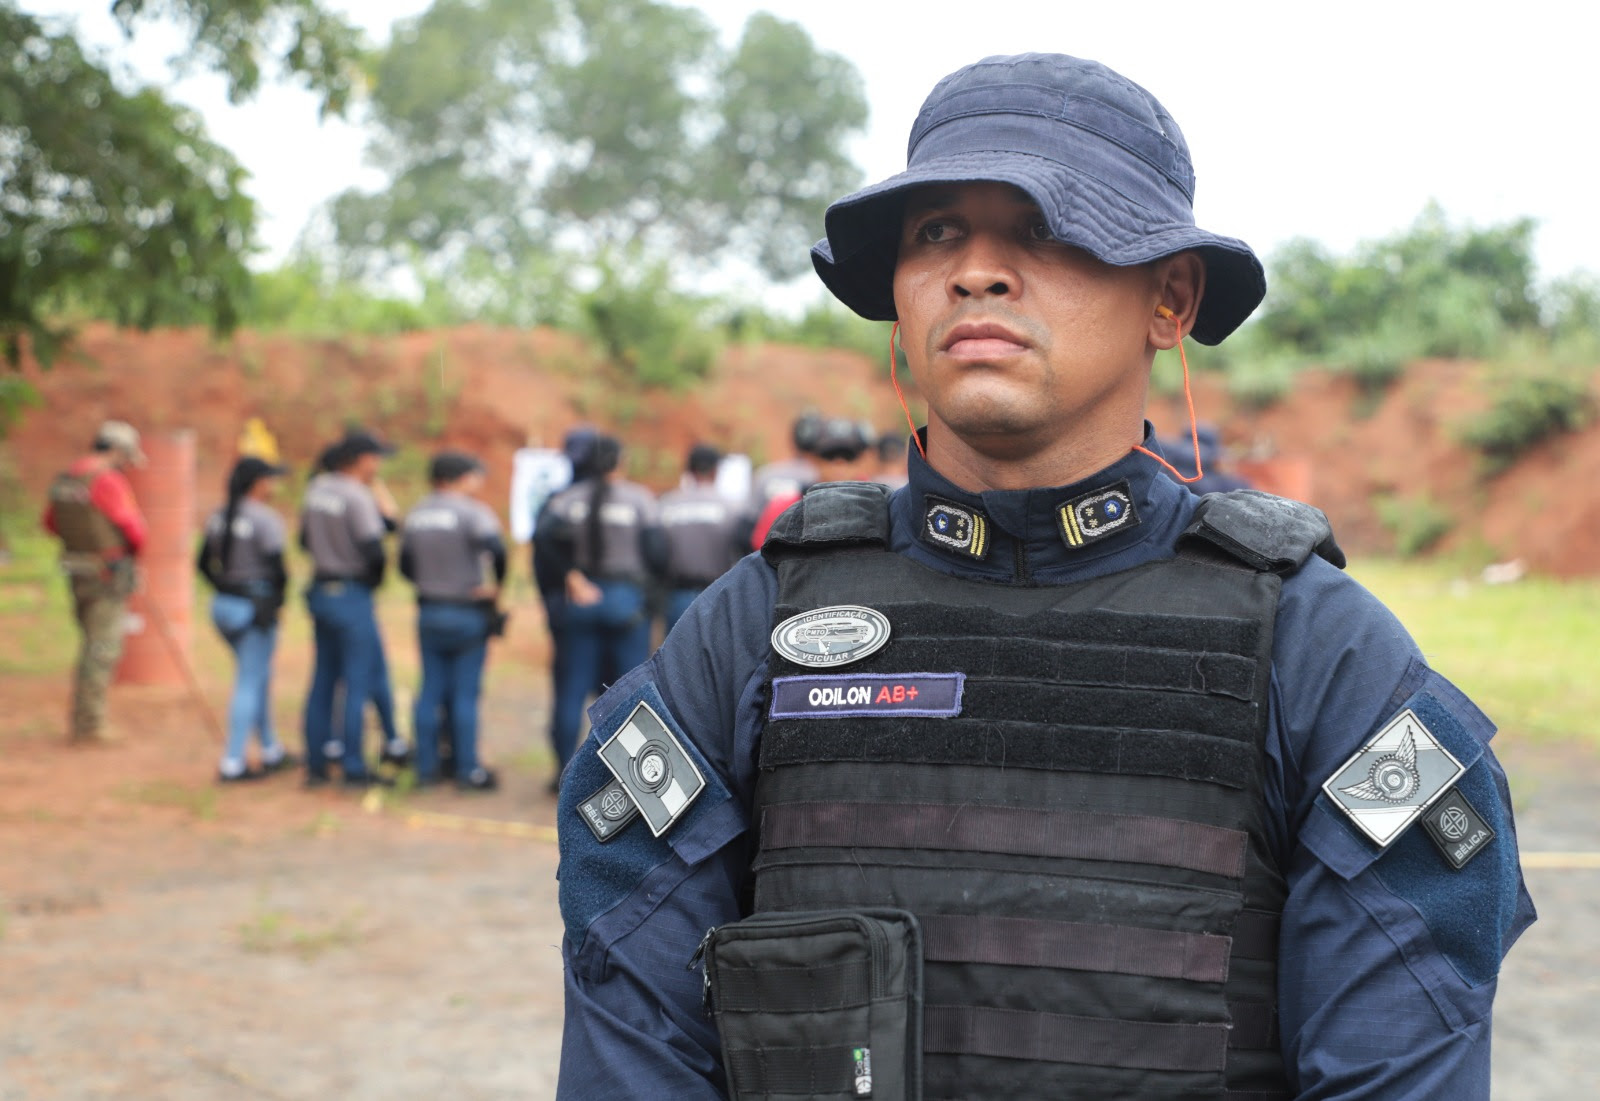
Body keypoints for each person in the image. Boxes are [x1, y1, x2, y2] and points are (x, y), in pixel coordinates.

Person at [555, 53, 1535, 1099]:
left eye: (1042, 229)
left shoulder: (1321, 651)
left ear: (1170, 298)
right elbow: (633, 1044)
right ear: (895, 294)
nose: (976, 272)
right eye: (937, 234)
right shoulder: (749, 630)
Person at [534, 434, 664, 779]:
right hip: (625, 602)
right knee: (630, 694)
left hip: (582, 600)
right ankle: (629, 775)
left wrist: (571, 575)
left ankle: (563, 772)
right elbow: (658, 554)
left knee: (571, 690)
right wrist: (652, 600)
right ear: (620, 462)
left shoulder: (566, 500)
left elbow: (542, 539)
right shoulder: (639, 500)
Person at [399, 450, 506, 791]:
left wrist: (428, 582)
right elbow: (498, 550)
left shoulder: (416, 513)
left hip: (429, 609)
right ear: (457, 478)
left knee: (430, 689)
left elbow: (404, 563)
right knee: (464, 693)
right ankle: (467, 769)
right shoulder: (472, 513)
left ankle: (426, 768)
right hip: (466, 610)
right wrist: (495, 587)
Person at [299, 431, 396, 787]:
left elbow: (304, 540)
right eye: (376, 457)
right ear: (361, 459)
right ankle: (353, 766)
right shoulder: (356, 496)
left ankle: (316, 764)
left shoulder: (317, 489)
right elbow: (374, 549)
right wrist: (370, 583)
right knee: (357, 683)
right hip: (351, 594)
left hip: (321, 590)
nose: (379, 465)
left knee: (323, 679)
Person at [42, 420, 148, 744]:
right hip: (106, 576)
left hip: (76, 572)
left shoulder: (69, 477)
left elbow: (49, 523)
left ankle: (84, 720)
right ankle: (90, 726)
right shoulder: (108, 480)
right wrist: (132, 553)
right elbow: (134, 528)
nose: (127, 465)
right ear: (116, 450)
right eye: (126, 457)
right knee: (102, 648)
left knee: (91, 644)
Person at [196, 456, 296, 781]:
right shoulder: (265, 519)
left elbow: (202, 564)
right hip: (253, 608)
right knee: (250, 681)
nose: (275, 485)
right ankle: (233, 762)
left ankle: (270, 748)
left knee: (256, 677)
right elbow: (279, 570)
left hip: (225, 606)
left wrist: (226, 586)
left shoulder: (219, 516)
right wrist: (273, 603)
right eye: (271, 479)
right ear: (259, 483)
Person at [747, 416, 872, 548]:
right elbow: (761, 551)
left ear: (860, 460)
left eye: (848, 456)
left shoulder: (875, 504)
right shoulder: (785, 506)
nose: (839, 463)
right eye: (829, 455)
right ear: (812, 458)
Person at [658, 444, 743, 634]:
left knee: (676, 659)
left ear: (689, 470)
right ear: (715, 471)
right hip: (719, 595)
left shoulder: (667, 504)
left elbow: (656, 551)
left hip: (677, 596)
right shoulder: (732, 508)